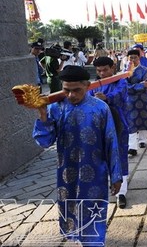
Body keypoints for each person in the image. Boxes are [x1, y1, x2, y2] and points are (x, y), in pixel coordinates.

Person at [32, 65, 122, 245]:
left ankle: (94, 242)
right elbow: (45, 142)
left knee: (93, 210)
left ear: (87, 86)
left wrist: (116, 175)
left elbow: (111, 143)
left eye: (76, 90)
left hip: (96, 172)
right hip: (67, 173)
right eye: (67, 90)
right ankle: (78, 239)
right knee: (71, 209)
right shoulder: (56, 108)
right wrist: (43, 116)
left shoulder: (100, 108)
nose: (71, 95)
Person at [90, 57, 130, 209]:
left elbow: (121, 95)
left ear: (113, 67)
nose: (102, 73)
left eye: (105, 69)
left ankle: (122, 192)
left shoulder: (120, 81)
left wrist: (107, 97)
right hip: (99, 127)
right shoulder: (93, 86)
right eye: (99, 71)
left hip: (119, 124)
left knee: (120, 157)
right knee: (101, 158)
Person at [125, 49, 147, 155]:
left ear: (139, 58)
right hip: (130, 100)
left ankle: (142, 140)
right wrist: (139, 85)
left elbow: (146, 83)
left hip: (143, 98)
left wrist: (136, 86)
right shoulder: (125, 71)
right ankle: (132, 147)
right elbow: (125, 87)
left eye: (135, 57)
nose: (133, 60)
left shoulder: (145, 70)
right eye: (130, 57)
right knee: (131, 121)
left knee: (143, 118)